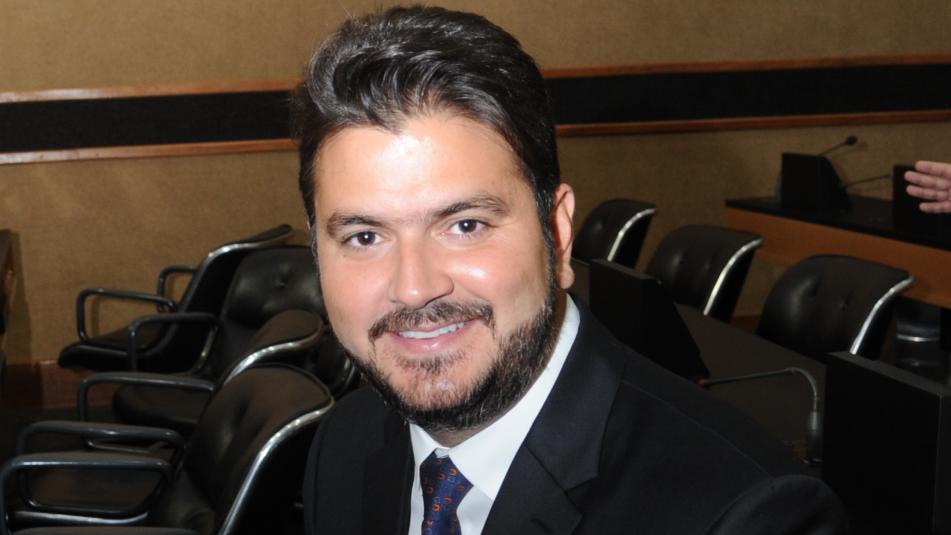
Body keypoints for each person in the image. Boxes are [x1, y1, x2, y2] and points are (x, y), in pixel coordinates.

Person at [292, 6, 846, 534]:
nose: (414, 288)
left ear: (557, 236)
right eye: (364, 237)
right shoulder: (344, 441)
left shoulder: (748, 514)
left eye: (465, 225)